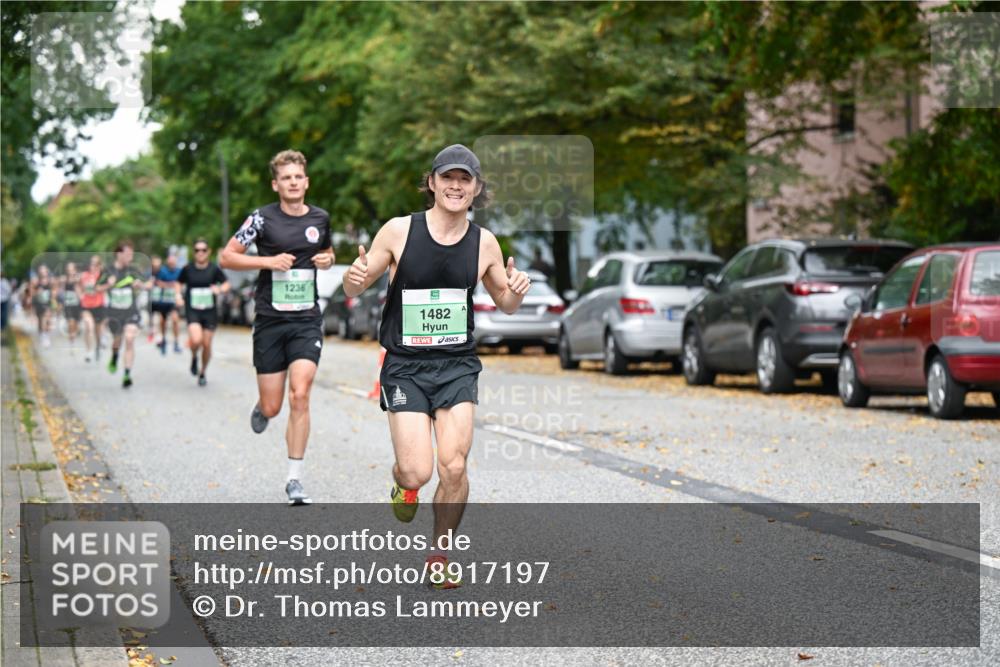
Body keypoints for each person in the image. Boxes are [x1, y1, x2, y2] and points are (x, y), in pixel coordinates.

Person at [343, 144, 530, 587]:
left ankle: (439, 554)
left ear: (476, 188)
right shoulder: (399, 231)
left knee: (454, 466)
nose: (456, 186)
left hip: (456, 365)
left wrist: (517, 291)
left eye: (465, 179)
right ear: (432, 182)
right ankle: (403, 484)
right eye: (448, 177)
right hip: (406, 367)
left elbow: (505, 302)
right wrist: (353, 279)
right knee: (418, 471)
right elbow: (356, 287)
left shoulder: (484, 242)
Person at [219, 150, 334, 505]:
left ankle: (294, 479)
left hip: (306, 320)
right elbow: (227, 256)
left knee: (300, 393)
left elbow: (327, 252)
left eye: (298, 176)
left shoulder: (320, 218)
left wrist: (328, 259)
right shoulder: (261, 219)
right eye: (286, 178)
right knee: (273, 406)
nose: (293, 182)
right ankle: (264, 408)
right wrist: (268, 261)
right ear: (276, 184)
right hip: (270, 320)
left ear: (306, 181)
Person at [178, 239, 230, 386]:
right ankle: (194, 356)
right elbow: (178, 283)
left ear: (208, 252)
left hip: (209, 312)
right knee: (196, 340)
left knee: (206, 344)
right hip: (193, 310)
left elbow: (226, 284)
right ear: (193, 252)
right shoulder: (187, 269)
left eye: (203, 250)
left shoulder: (214, 269)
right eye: (197, 250)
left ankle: (202, 372)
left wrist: (219, 289)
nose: (200, 253)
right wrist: (177, 296)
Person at [103, 241, 150, 388]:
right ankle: (115, 356)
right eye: (128, 254)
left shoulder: (133, 270)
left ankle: (127, 374)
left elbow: (149, 284)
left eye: (132, 254)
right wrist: (108, 285)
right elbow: (96, 288)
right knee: (117, 341)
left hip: (131, 312)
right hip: (114, 313)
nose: (131, 256)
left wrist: (141, 285)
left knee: (129, 339)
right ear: (119, 254)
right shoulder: (108, 270)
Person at [153, 254, 183, 354]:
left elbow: (181, 284)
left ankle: (176, 342)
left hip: (174, 300)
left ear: (176, 261)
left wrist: (168, 285)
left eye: (173, 261)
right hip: (164, 300)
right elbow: (158, 283)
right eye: (170, 261)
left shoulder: (179, 271)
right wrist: (172, 285)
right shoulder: (162, 271)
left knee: (175, 320)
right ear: (167, 261)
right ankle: (163, 339)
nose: (172, 263)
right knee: (163, 320)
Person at [80, 255, 106, 363]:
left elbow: (109, 286)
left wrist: (100, 288)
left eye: (96, 264)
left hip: (98, 306)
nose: (93, 266)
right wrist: (80, 295)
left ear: (99, 265)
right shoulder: (84, 275)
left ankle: (98, 346)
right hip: (86, 306)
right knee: (89, 326)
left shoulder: (102, 276)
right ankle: (89, 351)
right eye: (92, 264)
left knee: (97, 332)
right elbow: (78, 286)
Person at [30, 265, 55, 347]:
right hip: (39, 303)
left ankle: (46, 336)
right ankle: (42, 334)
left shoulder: (50, 281)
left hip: (48, 303)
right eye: (41, 271)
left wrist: (53, 296)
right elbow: (32, 293)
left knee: (46, 318)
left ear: (47, 272)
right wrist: (37, 292)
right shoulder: (36, 281)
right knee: (40, 321)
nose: (43, 273)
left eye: (44, 271)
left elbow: (54, 290)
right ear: (39, 273)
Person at [61, 262, 83, 349]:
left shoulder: (79, 278)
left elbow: (82, 289)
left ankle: (74, 333)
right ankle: (71, 341)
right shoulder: (64, 279)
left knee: (76, 323)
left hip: (77, 304)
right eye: (69, 269)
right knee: (70, 322)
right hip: (68, 304)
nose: (70, 271)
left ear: (75, 270)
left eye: (72, 269)